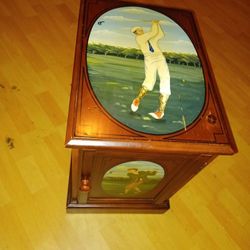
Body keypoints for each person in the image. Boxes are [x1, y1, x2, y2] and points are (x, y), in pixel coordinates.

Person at [131, 20, 171, 119]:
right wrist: (154, 23)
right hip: (150, 58)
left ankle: (161, 111)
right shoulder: (139, 39)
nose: (140, 31)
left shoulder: (151, 39)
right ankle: (137, 99)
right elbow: (153, 32)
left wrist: (157, 24)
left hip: (160, 57)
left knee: (165, 79)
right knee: (150, 80)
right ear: (135, 33)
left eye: (140, 29)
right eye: (137, 31)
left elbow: (160, 34)